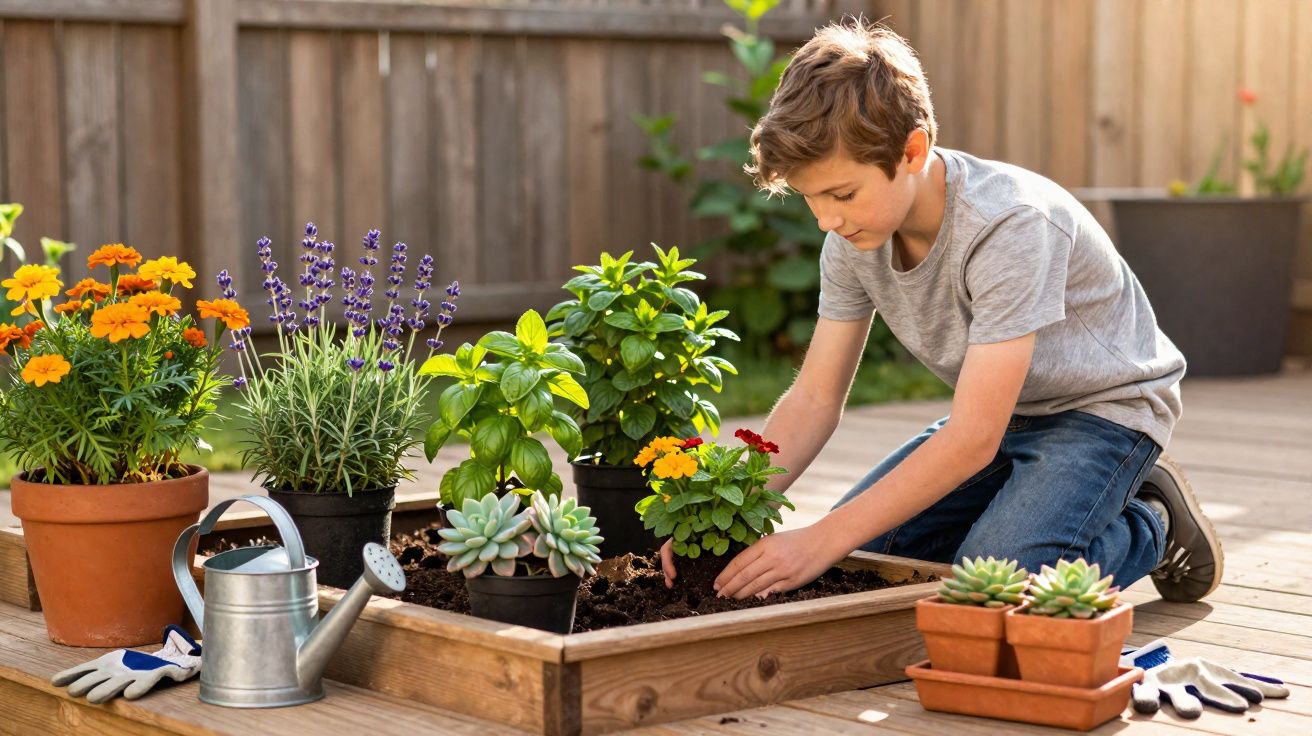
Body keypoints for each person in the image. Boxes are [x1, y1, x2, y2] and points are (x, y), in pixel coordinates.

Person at [660, 19, 1222, 605]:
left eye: (843, 194)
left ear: (912, 151)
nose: (826, 219)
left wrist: (820, 538)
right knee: (868, 561)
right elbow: (815, 398)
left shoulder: (1009, 226)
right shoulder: (851, 240)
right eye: (811, 198)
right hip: (1002, 414)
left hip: (1103, 412)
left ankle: (1152, 520)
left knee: (993, 584)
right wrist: (724, 508)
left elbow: (973, 438)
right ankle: (1034, 506)